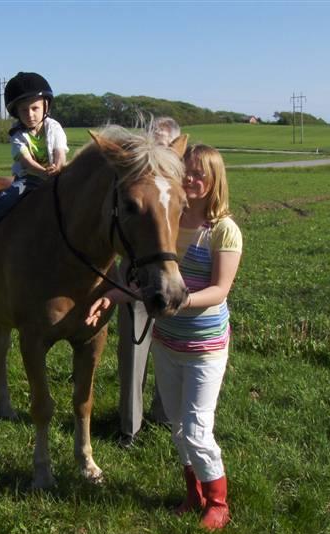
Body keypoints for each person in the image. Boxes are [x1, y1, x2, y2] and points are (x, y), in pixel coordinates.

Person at [86, 144, 242, 531]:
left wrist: (180, 300)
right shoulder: (171, 221)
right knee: (176, 426)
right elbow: (148, 285)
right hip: (167, 343)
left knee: (195, 428)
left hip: (205, 347)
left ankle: (218, 503)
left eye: (199, 174)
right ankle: (193, 495)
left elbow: (220, 290)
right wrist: (110, 295)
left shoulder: (223, 230)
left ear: (214, 179)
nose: (191, 179)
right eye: (185, 172)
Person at [117, 116, 181, 448]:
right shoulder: (138, 178)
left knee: (170, 349)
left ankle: (164, 412)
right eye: (152, 142)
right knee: (133, 348)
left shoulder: (179, 183)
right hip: (138, 274)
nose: (157, 150)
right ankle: (130, 426)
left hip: (173, 277)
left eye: (163, 144)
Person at [0, 72, 68, 266]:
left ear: (46, 106)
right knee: (8, 198)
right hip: (30, 178)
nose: (30, 114)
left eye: (35, 108)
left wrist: (58, 167)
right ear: (17, 113)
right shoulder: (17, 135)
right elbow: (26, 161)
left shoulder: (54, 127)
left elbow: (60, 150)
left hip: (57, 174)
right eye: (24, 110)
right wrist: (44, 173)